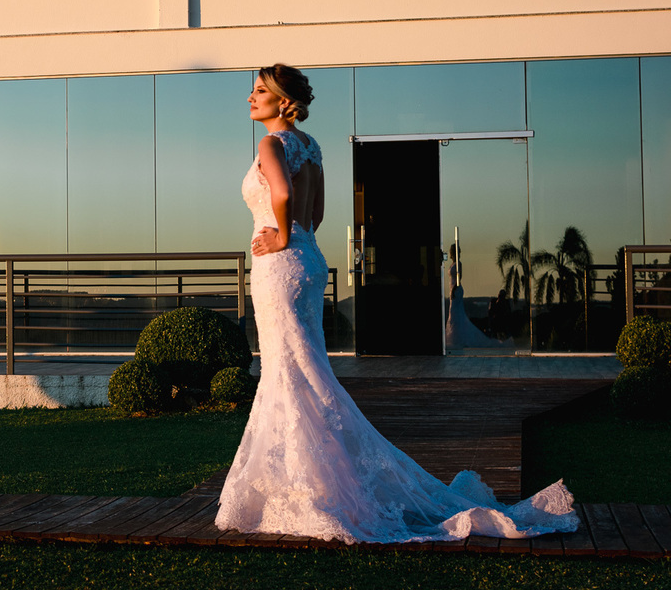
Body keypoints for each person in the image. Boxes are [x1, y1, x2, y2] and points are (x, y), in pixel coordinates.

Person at [214, 64, 578, 544]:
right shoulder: (311, 147)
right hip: (308, 258)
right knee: (304, 369)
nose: (250, 97)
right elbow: (316, 213)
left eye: (259, 90)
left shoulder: (271, 144)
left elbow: (280, 192)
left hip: (280, 263)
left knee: (288, 370)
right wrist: (296, 237)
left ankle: (309, 487)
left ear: (283, 101)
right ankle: (313, 480)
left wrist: (280, 238)